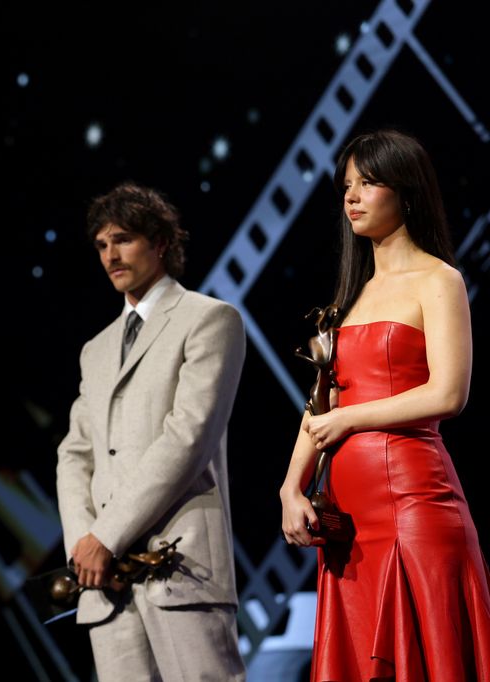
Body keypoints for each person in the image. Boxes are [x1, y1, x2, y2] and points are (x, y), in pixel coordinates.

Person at [279, 129, 490, 679]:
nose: (351, 196)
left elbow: (448, 394)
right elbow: (319, 403)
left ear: (408, 192)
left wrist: (349, 418)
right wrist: (290, 487)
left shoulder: (438, 279)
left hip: (415, 505)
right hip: (350, 522)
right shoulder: (351, 297)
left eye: (368, 183)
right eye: (347, 184)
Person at [56, 183, 246, 681]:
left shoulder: (209, 319)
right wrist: (84, 543)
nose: (110, 255)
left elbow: (189, 436)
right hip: (105, 581)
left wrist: (108, 536)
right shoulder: (95, 349)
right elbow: (75, 454)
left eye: (123, 239)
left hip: (178, 564)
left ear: (160, 242)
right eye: (101, 244)